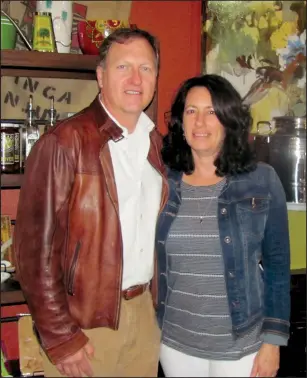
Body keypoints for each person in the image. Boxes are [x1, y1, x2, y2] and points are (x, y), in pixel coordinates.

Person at [13, 28, 168, 377]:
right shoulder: (64, 142)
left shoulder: (157, 145)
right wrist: (60, 337)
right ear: (100, 76)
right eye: (122, 67)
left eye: (145, 68)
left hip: (145, 316)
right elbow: (32, 252)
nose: (135, 78)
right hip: (84, 324)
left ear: (156, 77)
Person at [156, 74, 291, 377]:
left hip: (242, 347)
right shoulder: (163, 183)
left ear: (229, 120)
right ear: (180, 121)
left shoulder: (262, 180)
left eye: (212, 112)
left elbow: (278, 266)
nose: (200, 122)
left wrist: (273, 342)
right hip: (175, 344)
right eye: (191, 111)